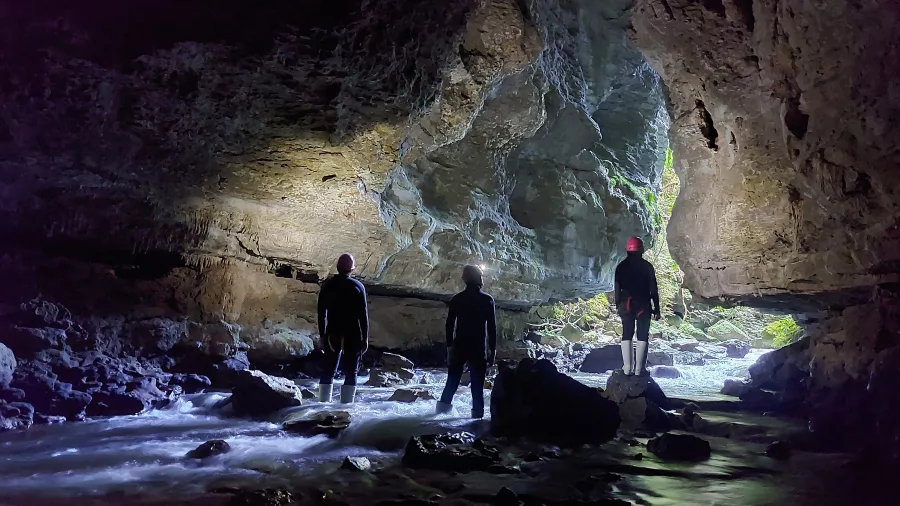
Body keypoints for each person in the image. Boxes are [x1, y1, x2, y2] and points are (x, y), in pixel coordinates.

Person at [436, 264, 497, 418]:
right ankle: (476, 421)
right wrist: (493, 350)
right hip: (478, 348)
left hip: (459, 346)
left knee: (451, 383)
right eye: (481, 276)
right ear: (478, 278)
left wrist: (449, 346)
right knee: (477, 388)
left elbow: (449, 325)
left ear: (464, 279)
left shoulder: (457, 299)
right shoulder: (487, 300)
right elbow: (492, 328)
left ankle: (437, 419)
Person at [317, 253, 369, 404]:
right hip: (352, 334)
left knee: (328, 370)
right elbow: (363, 315)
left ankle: (322, 406)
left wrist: (322, 335)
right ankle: (346, 408)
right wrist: (365, 337)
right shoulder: (358, 287)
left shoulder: (328, 286)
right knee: (351, 372)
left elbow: (321, 312)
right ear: (352, 269)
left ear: (337, 267)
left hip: (332, 333)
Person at [614, 237, 660, 376]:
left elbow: (617, 288)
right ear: (641, 249)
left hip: (626, 304)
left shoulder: (621, 266)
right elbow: (653, 289)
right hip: (643, 304)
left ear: (628, 249)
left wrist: (618, 304)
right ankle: (639, 369)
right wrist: (657, 308)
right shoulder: (647, 266)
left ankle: (627, 368)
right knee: (642, 334)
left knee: (627, 333)